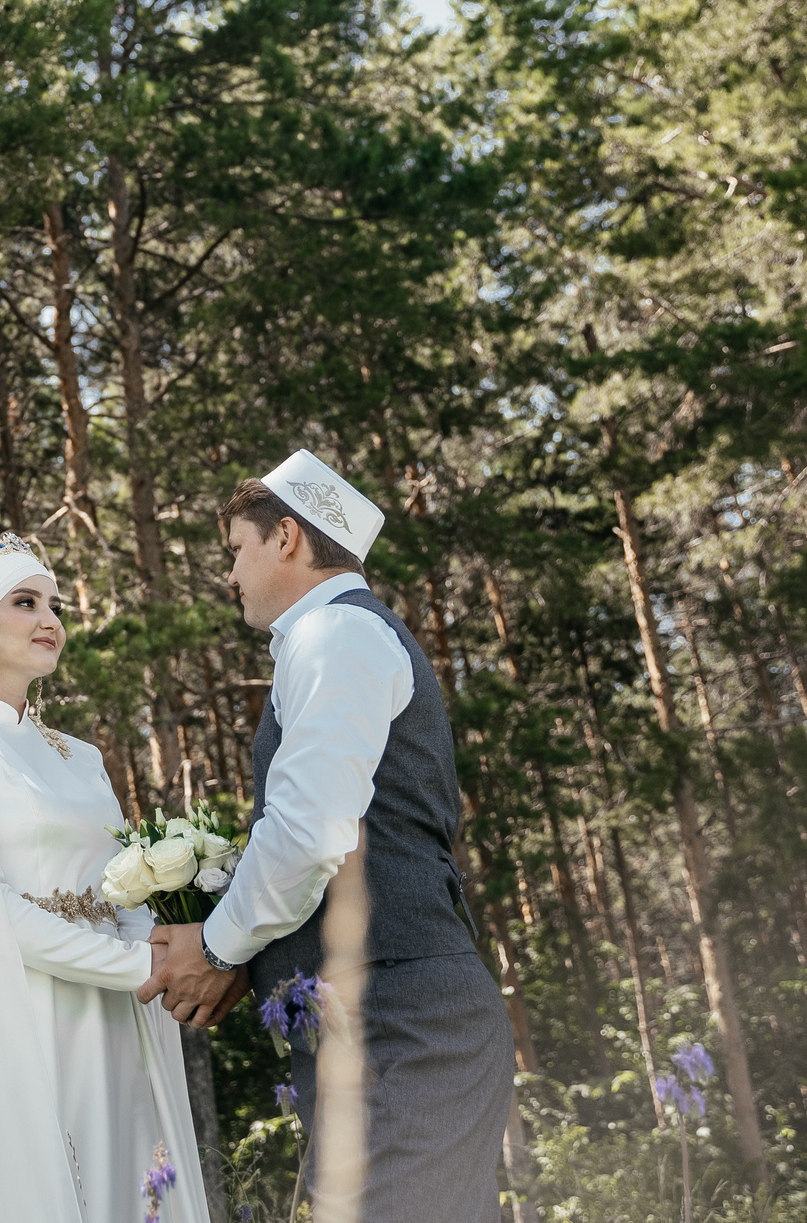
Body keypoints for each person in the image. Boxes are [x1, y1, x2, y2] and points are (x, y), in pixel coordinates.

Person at [138, 451, 512, 1222]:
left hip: (406, 1024)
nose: (230, 575)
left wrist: (218, 948)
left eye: (235, 549)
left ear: (285, 537)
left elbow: (307, 832)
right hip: (383, 1021)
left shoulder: (336, 633)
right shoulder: (338, 636)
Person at [0, 533, 209, 1223]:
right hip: (23, 1015)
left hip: (116, 1018)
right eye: (25, 602)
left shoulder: (81, 757)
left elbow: (122, 885)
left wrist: (161, 953)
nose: (50, 619)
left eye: (54, 604)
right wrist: (143, 966)